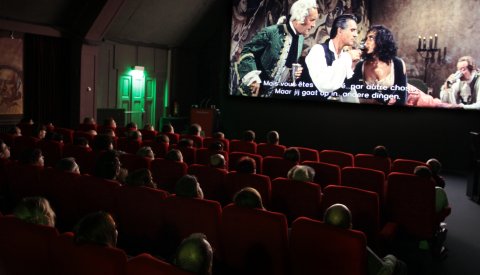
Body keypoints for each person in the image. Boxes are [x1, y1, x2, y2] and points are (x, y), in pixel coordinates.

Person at [233, 0, 319, 97]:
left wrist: (291, 74)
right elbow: (247, 51)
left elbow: (284, 64)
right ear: (300, 17)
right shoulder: (272, 32)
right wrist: (252, 78)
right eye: (312, 20)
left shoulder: (300, 39)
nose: (314, 25)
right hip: (251, 94)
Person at [324, 203, 407, 275]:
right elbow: (383, 271)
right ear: (350, 227)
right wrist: (391, 258)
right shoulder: (357, 245)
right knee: (401, 265)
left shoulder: (314, 239)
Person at [345, 25, 407, 105]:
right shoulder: (361, 65)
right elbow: (347, 90)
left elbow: (402, 98)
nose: (366, 42)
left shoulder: (398, 64)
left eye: (371, 38)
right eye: (366, 38)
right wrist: (351, 66)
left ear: (382, 41)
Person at [305, 14, 362, 102]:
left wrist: (353, 67)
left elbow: (345, 92)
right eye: (352, 30)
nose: (355, 35)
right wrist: (347, 57)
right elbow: (324, 84)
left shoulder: (344, 56)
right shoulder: (318, 50)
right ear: (339, 31)